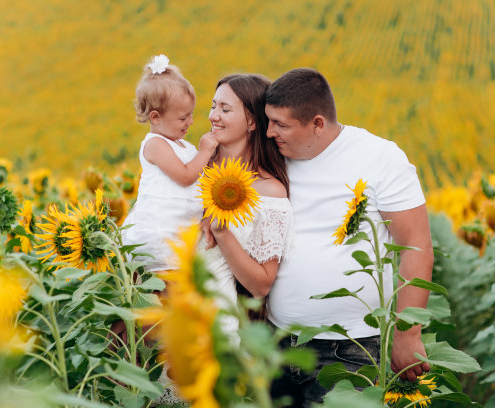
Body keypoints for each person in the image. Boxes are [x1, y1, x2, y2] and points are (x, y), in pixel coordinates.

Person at [264, 68, 434, 407]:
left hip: (352, 350)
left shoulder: (379, 158)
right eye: (268, 121)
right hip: (277, 341)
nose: (270, 133)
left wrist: (407, 333)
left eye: (281, 124)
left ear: (317, 123)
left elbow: (416, 245)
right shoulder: (273, 158)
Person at [201, 74, 294, 334]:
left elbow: (261, 285)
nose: (213, 116)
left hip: (219, 321)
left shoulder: (269, 192)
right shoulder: (194, 166)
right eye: (213, 106)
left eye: (225, 109)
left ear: (252, 121)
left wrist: (221, 231)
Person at [121, 55, 218, 271]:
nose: (190, 122)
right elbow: (185, 177)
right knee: (162, 291)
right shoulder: (155, 144)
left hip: (180, 234)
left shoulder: (184, 147)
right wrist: (206, 151)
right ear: (155, 117)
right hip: (159, 237)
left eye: (191, 115)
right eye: (183, 118)